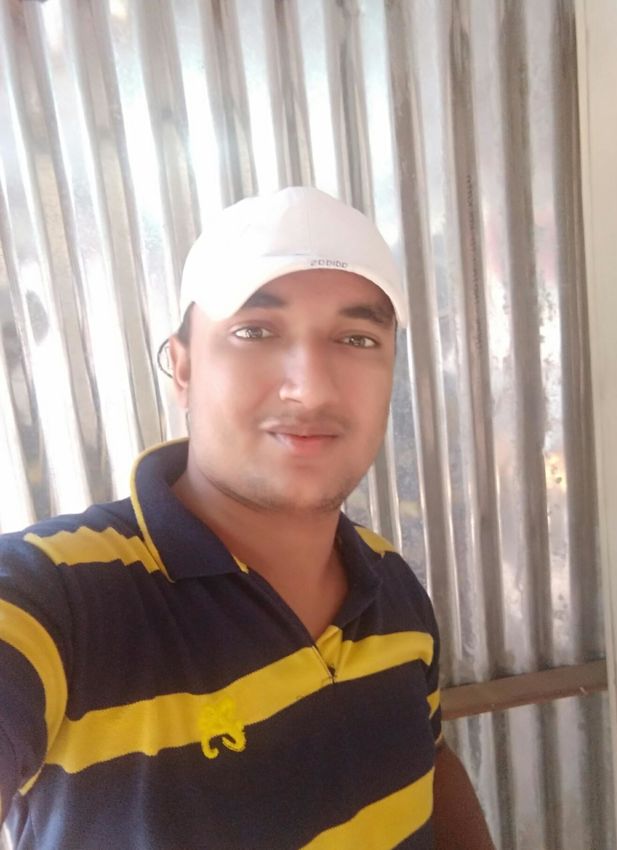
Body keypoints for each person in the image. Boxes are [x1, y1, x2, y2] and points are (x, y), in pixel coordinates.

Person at [0, 187, 495, 849]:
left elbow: (430, 760)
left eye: (357, 338)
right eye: (255, 331)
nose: (311, 388)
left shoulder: (393, 587)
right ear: (183, 368)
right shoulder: (58, 601)